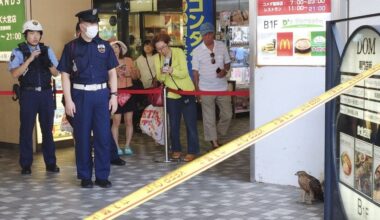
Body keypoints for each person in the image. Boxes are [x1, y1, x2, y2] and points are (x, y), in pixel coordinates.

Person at [57, 9, 118, 188]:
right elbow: (65, 75)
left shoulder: (105, 46)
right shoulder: (71, 47)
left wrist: (114, 96)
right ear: (81, 25)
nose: (93, 27)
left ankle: (102, 175)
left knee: (103, 137)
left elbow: (112, 73)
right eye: (90, 23)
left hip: (101, 95)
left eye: (95, 23)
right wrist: (68, 99)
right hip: (80, 96)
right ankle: (85, 176)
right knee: (82, 137)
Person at [8, 20, 60, 175]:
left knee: (47, 130)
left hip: (45, 93)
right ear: (26, 35)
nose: (35, 36)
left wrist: (48, 63)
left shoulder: (47, 50)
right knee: (26, 130)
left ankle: (50, 163)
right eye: (31, 33)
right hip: (28, 94)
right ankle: (25, 164)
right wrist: (29, 59)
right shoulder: (18, 51)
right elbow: (14, 73)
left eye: (38, 33)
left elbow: (56, 73)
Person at [152, 33, 199, 162]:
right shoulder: (157, 58)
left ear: (168, 43)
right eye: (159, 48)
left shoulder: (178, 52)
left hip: (187, 91)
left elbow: (184, 73)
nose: (162, 50)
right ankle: (176, 149)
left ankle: (192, 151)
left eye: (164, 47)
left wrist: (172, 71)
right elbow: (160, 78)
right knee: (173, 124)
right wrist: (162, 73)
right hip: (171, 94)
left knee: (190, 123)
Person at [192, 22, 232, 150]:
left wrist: (224, 71)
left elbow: (227, 63)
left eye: (210, 34)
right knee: (209, 117)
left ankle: (217, 132)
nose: (208, 37)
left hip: (222, 87)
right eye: (205, 35)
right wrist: (197, 90)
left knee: (227, 114)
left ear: (213, 34)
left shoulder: (221, 46)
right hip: (205, 88)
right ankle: (214, 142)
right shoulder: (197, 51)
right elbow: (195, 72)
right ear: (202, 36)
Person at [110, 40, 140, 156]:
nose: (115, 50)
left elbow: (136, 76)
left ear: (121, 49)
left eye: (117, 47)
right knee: (116, 121)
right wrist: (115, 74)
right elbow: (104, 78)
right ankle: (116, 146)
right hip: (115, 92)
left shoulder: (128, 60)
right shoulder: (107, 61)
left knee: (129, 121)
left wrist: (129, 72)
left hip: (129, 90)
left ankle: (127, 145)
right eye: (112, 48)